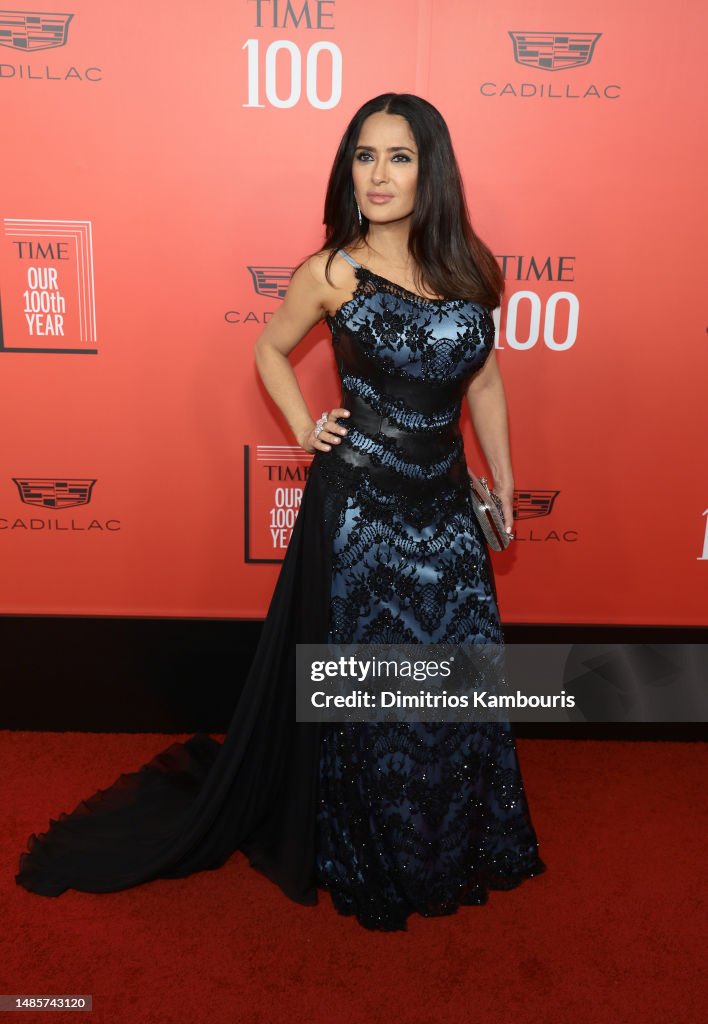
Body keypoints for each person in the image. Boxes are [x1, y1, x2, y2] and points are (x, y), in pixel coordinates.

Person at [15, 93, 546, 932]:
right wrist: (306, 428)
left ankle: (449, 834)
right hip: (360, 515)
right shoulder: (333, 271)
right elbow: (268, 346)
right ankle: (373, 843)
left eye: (399, 157)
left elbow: (481, 378)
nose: (378, 174)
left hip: (444, 512)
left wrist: (504, 477)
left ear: (430, 169)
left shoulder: (470, 270)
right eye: (364, 156)